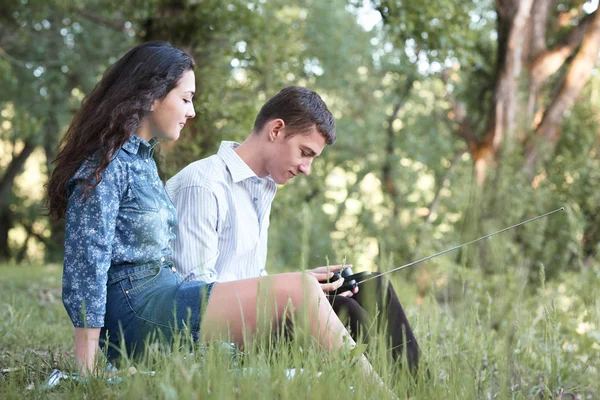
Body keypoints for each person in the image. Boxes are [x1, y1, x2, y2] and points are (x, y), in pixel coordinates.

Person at [46, 42, 381, 380]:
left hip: (164, 294)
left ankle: (380, 385)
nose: (192, 111)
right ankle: (377, 391)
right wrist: (87, 364)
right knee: (302, 290)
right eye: (186, 98)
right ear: (150, 95)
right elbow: (86, 266)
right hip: (138, 311)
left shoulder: (142, 161)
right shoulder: (105, 166)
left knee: (317, 290)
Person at [166, 86, 421, 371]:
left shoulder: (261, 187)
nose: (306, 168)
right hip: (213, 335)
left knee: (372, 287)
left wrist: (301, 285)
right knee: (341, 311)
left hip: (248, 316)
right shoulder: (203, 185)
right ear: (276, 130)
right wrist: (293, 294)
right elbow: (194, 296)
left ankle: (419, 390)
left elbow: (247, 275)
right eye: (305, 152)